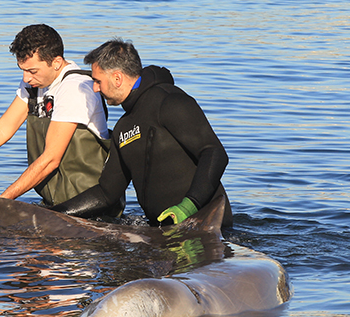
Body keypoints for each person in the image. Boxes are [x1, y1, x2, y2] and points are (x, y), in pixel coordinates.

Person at [51, 39, 233, 228]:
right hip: (164, 230)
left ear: (117, 78)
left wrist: (188, 207)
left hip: (207, 225)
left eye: (98, 81)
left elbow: (214, 153)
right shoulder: (123, 127)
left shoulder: (170, 101)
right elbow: (107, 194)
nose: (95, 88)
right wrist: (54, 214)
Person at [0, 24, 114, 207]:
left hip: (89, 204)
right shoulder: (33, 84)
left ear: (56, 63)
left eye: (32, 71)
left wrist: (2, 202)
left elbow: (50, 160)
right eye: (22, 69)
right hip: (55, 202)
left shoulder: (75, 88)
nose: (25, 78)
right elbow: (2, 129)